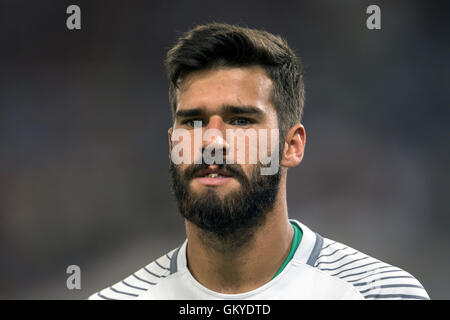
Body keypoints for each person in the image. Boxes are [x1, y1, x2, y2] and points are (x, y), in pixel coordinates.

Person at [89, 23, 429, 300]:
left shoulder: (382, 294)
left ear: (291, 146)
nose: (211, 141)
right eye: (192, 121)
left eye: (240, 120)